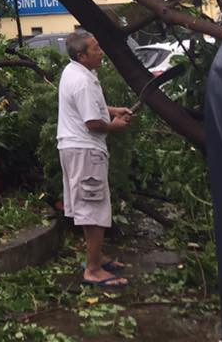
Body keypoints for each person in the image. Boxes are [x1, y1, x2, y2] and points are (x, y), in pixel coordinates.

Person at [57, 30, 133, 287]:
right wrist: (115, 125)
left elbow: (89, 107)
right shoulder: (83, 82)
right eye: (96, 48)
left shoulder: (74, 71)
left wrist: (112, 110)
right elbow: (92, 122)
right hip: (85, 151)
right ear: (82, 55)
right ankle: (93, 270)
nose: (101, 52)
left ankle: (97, 258)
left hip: (74, 149)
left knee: (88, 207)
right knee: (94, 209)